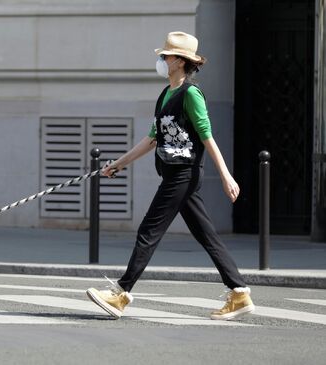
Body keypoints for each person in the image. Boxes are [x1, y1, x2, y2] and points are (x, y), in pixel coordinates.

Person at [85, 31, 255, 321]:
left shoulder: (191, 94)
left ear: (180, 61)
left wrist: (227, 176)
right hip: (173, 175)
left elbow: (207, 137)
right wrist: (119, 164)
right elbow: (152, 139)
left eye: (166, 56)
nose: (161, 60)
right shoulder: (166, 95)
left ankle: (121, 294)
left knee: (149, 231)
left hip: (184, 175)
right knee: (206, 235)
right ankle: (239, 292)